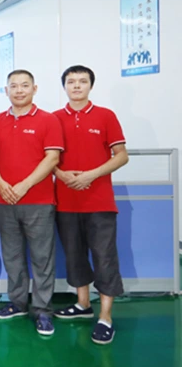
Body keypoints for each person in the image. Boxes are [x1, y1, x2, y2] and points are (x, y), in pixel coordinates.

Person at [52, 65, 128, 345]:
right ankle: (83, 304)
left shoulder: (106, 116)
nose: (76, 86)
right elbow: (47, 158)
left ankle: (105, 317)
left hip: (99, 201)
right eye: (71, 81)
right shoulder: (54, 119)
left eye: (82, 81)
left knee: (104, 258)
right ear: (64, 86)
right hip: (65, 202)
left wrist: (91, 175)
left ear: (90, 86)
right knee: (74, 255)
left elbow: (121, 155)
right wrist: (60, 174)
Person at [0, 69, 64, 336]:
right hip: (5, 200)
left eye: (24, 85)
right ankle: (18, 303)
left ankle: (43, 310)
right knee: (12, 255)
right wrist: (1, 183)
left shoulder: (48, 120)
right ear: (6, 90)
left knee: (42, 257)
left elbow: (52, 158)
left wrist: (24, 185)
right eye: (14, 86)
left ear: (34, 89)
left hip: (39, 201)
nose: (19, 90)